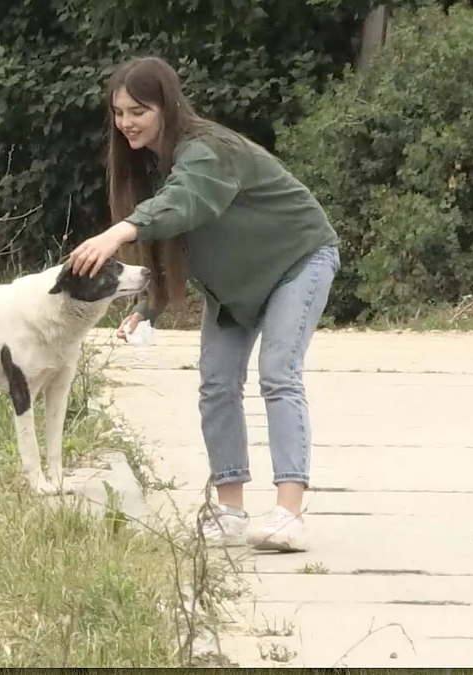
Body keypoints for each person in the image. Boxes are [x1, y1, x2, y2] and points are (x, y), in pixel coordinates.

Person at [67, 56, 340, 552]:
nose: (127, 121)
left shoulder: (207, 149)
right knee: (216, 383)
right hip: (235, 286)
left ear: (166, 106)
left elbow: (190, 200)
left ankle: (288, 513)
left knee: (278, 373)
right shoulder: (147, 162)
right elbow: (170, 239)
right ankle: (231, 510)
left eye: (138, 110)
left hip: (297, 259)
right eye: (119, 111)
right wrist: (150, 306)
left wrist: (117, 232)